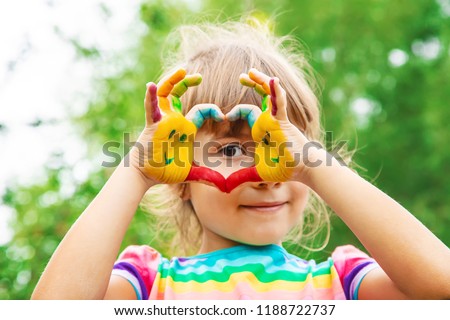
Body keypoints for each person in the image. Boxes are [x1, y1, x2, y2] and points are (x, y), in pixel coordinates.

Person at [31, 19, 450, 300]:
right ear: (180, 178)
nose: (268, 176)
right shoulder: (149, 284)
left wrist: (312, 164)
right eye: (231, 150)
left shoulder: (340, 283)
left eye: (285, 149)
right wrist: (137, 170)